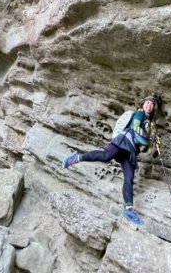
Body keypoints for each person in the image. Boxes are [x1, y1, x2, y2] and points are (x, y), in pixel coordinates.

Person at [61, 95, 160, 225]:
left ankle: (129, 209)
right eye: (147, 103)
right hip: (124, 141)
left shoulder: (150, 123)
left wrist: (150, 140)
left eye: (151, 104)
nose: (149, 105)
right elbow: (135, 126)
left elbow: (145, 143)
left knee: (129, 177)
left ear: (153, 108)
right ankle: (77, 158)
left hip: (131, 150)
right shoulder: (140, 114)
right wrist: (146, 137)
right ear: (143, 105)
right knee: (105, 156)